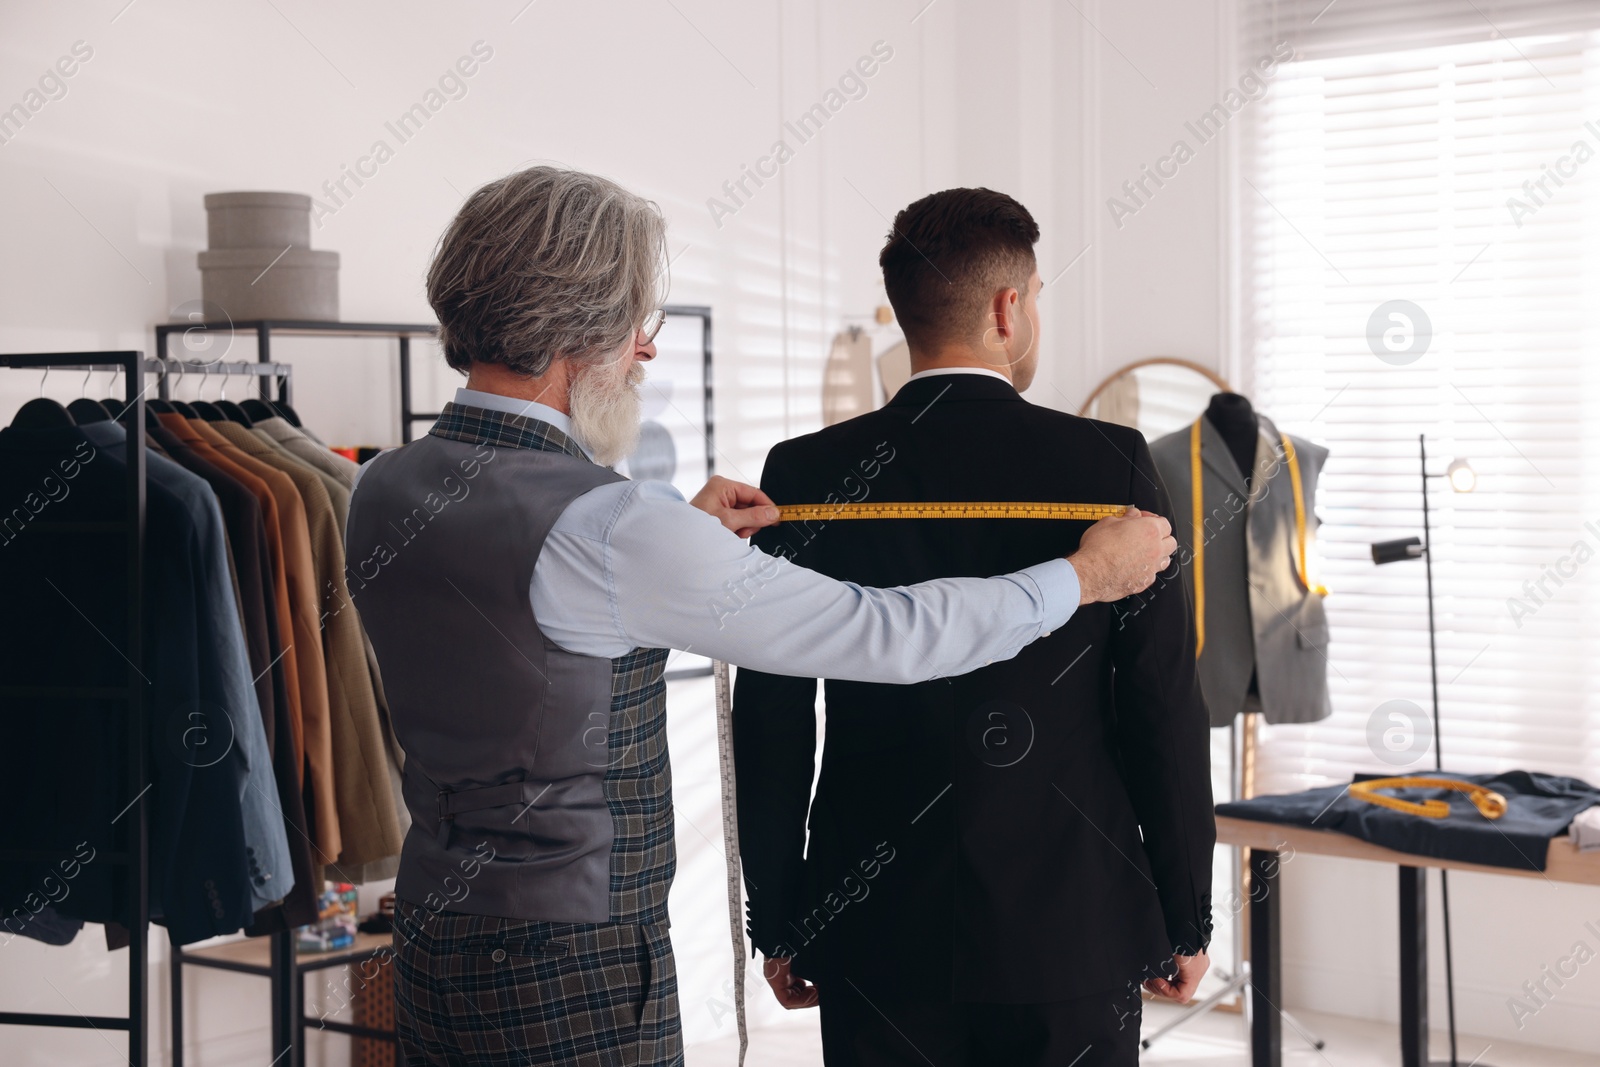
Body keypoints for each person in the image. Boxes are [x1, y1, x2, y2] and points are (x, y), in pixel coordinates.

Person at [344, 165, 1177, 1067]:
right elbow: (890, 635)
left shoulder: (382, 486)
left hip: (432, 931)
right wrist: (1083, 575)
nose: (647, 352)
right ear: (572, 330)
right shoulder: (619, 528)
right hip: (572, 960)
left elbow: (526, 628)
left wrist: (681, 548)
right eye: (636, 325)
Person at [733, 187, 1216, 1067]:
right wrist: (1186, 912)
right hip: (1073, 925)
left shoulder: (805, 474)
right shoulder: (1109, 466)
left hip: (870, 922)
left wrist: (780, 911)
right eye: (1035, 296)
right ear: (1008, 308)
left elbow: (769, 715)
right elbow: (1163, 709)